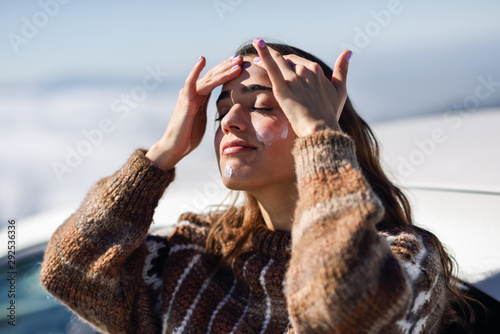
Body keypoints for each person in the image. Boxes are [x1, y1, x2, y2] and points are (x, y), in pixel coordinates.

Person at [41, 38, 470, 333]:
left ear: (320, 127)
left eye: (262, 105)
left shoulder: (403, 261)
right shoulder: (197, 253)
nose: (228, 120)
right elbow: (69, 271)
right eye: (220, 111)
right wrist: (161, 155)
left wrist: (320, 136)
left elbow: (338, 315)